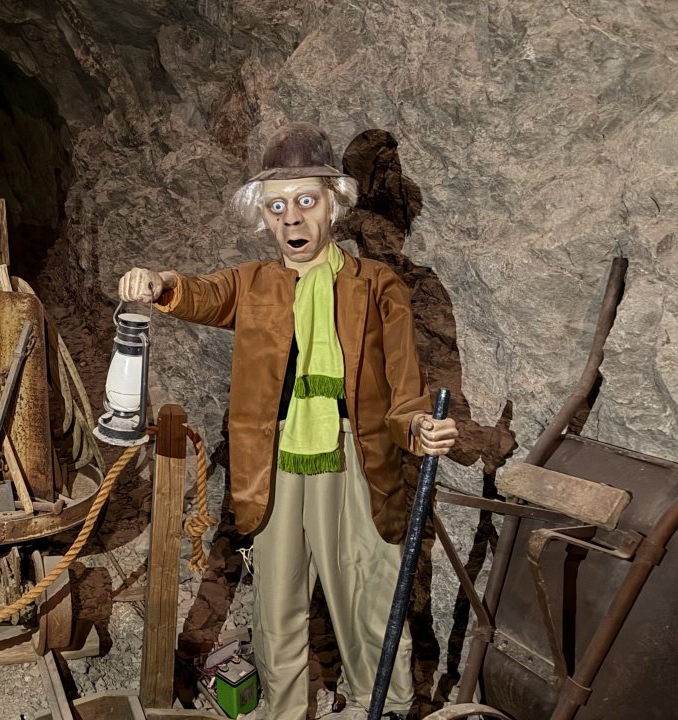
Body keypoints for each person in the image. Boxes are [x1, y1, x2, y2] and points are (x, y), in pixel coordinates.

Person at [118, 123, 458, 720]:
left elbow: (405, 395)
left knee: (368, 592)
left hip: (356, 462)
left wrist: (419, 429)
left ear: (334, 205)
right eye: (277, 206)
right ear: (264, 216)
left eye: (306, 201)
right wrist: (160, 281)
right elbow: (198, 292)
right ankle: (286, 712)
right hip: (273, 465)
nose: (292, 218)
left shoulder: (378, 285)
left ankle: (383, 707)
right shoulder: (253, 284)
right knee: (277, 607)